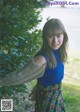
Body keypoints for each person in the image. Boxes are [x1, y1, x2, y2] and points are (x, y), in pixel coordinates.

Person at [0, 18, 68, 112]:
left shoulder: (59, 51)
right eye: (50, 36)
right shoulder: (42, 58)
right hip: (47, 102)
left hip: (57, 96)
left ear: (64, 35)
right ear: (45, 37)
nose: (55, 41)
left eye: (58, 36)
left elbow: (46, 76)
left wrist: (37, 87)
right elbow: (19, 76)